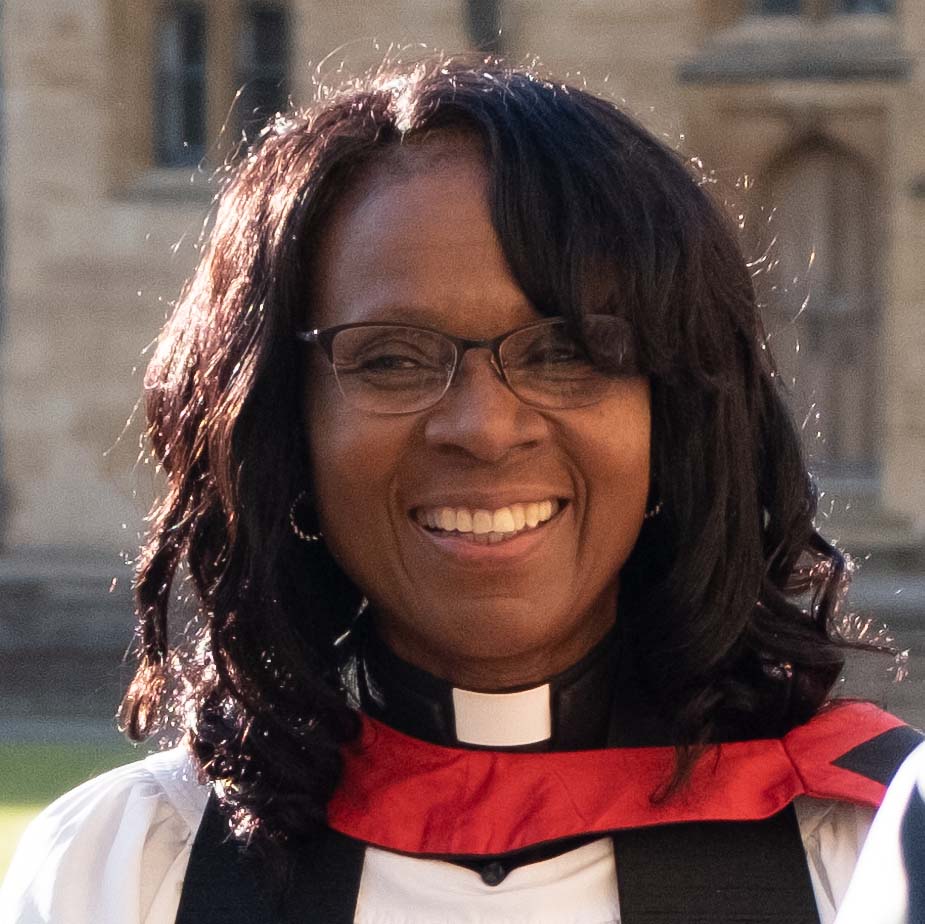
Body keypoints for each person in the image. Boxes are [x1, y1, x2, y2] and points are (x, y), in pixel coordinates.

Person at [1, 57, 920, 924]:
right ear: (281, 426)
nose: (483, 427)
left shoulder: (869, 853)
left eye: (566, 350)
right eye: (391, 358)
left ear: (679, 411)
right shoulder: (127, 872)